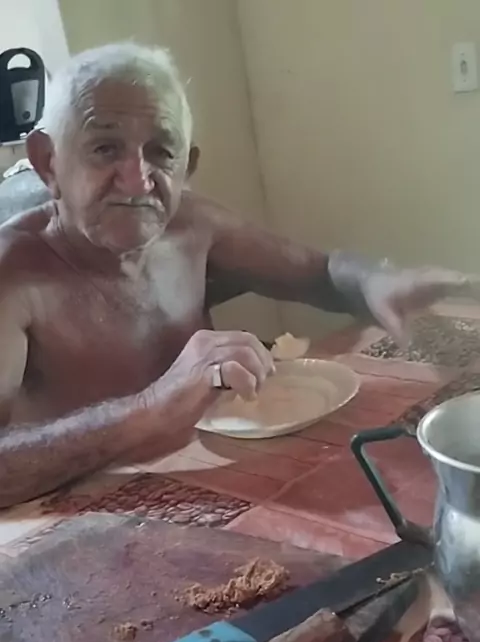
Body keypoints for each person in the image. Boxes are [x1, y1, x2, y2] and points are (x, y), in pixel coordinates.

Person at [0, 42, 469, 509]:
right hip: (79, 525)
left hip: (220, 491)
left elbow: (320, 272)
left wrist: (374, 281)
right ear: (47, 161)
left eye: (161, 152)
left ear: (187, 168)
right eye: (105, 149)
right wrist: (150, 409)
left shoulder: (191, 224)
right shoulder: (13, 273)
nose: (138, 180)